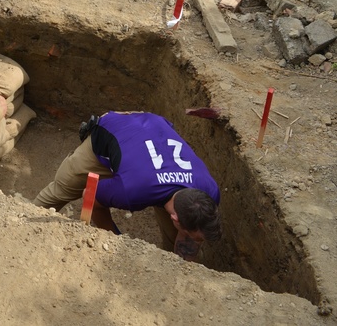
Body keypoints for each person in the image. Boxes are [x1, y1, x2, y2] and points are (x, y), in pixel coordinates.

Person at [33, 111, 221, 260]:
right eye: (198, 238)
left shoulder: (209, 193)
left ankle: (171, 263)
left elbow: (193, 234)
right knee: (62, 188)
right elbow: (91, 195)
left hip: (154, 132)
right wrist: (115, 241)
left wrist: (181, 266)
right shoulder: (133, 190)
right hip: (114, 130)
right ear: (175, 217)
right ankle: (23, 221)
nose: (199, 241)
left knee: (180, 236)